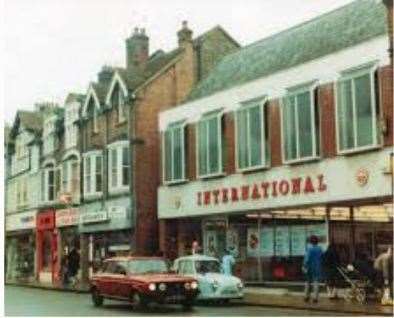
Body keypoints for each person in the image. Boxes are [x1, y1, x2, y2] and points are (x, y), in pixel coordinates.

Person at [303, 235, 323, 303]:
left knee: (308, 282)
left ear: (311, 242)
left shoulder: (309, 249)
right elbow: (322, 258)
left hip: (309, 267)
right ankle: (315, 298)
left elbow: (307, 259)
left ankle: (306, 296)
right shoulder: (320, 249)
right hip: (317, 267)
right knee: (316, 282)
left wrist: (304, 266)